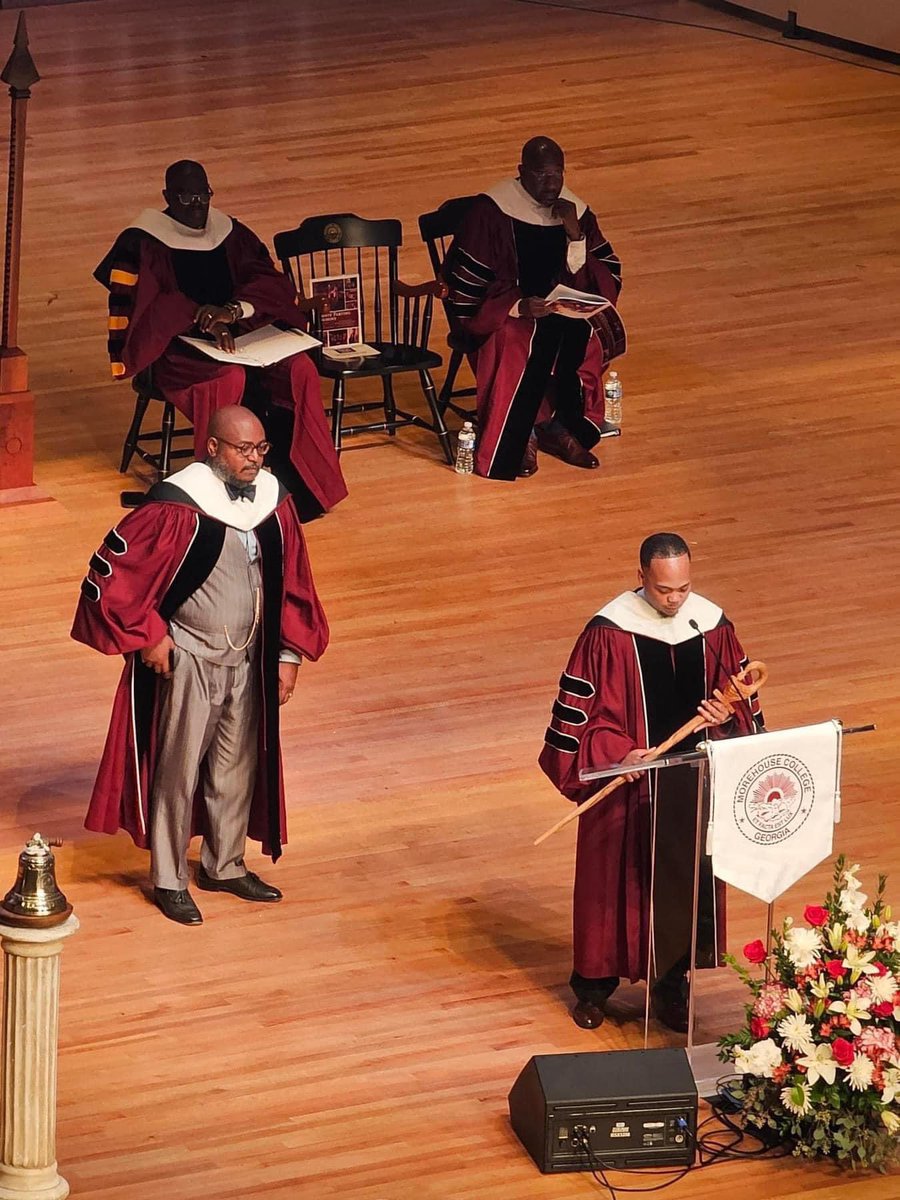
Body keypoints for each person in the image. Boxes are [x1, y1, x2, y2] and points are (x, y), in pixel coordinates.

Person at [72, 406, 329, 925]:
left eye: (260, 449)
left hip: (251, 659)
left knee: (237, 766)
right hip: (188, 657)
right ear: (212, 447)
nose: (254, 460)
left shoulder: (272, 503)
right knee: (177, 769)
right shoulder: (176, 505)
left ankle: (225, 864)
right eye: (243, 449)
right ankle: (168, 877)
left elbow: (295, 584)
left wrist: (288, 654)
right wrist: (150, 635)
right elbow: (115, 578)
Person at [538, 533, 764, 1030]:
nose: (676, 600)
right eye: (665, 591)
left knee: (683, 883)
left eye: (683, 588)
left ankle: (672, 985)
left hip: (691, 784)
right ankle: (595, 988)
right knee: (611, 887)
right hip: (631, 786)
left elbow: (742, 703)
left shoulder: (712, 626)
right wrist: (621, 753)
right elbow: (580, 721)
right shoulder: (607, 633)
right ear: (640, 577)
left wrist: (722, 718)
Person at [95, 159, 347, 521]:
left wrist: (235, 310)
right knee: (231, 378)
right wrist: (199, 316)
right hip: (180, 351)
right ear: (168, 196)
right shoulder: (142, 241)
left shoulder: (229, 232)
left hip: (244, 339)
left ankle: (306, 491)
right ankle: (217, 490)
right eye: (187, 197)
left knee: (299, 369)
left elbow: (268, 281)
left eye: (204, 194)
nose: (198, 204)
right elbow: (146, 307)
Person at [442, 136, 624, 481]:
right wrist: (516, 305)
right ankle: (522, 433)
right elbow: (465, 287)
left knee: (588, 335)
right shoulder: (492, 212)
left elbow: (604, 275)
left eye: (558, 175)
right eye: (541, 175)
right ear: (522, 171)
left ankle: (561, 425)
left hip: (555, 310)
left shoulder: (575, 210)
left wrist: (574, 235)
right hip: (506, 315)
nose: (551, 184)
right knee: (516, 341)